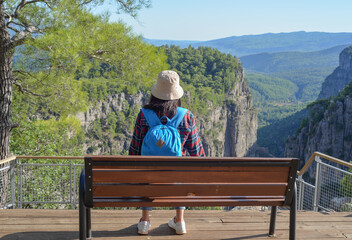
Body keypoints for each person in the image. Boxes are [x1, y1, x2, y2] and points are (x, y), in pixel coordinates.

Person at [129, 70, 205, 235]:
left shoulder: (143, 115)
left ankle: (145, 221)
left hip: (148, 175)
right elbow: (196, 152)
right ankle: (179, 220)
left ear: (155, 93)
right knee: (182, 173)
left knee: (145, 174)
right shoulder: (186, 116)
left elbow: (134, 150)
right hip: (176, 176)